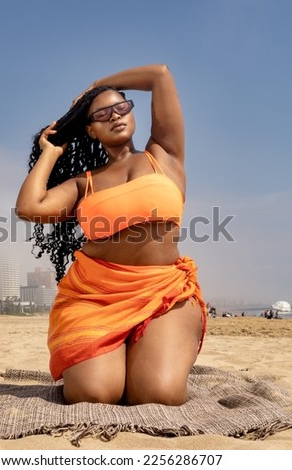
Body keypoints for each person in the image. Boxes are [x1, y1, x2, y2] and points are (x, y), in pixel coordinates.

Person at [16, 64, 207, 406]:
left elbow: (159, 75)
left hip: (163, 293)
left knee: (158, 395)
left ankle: (145, 350)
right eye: (102, 113)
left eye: (121, 107)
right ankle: (117, 355)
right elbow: (29, 207)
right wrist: (51, 153)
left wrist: (98, 85)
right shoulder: (82, 183)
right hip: (94, 298)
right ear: (89, 130)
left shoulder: (163, 154)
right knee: (94, 394)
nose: (115, 116)